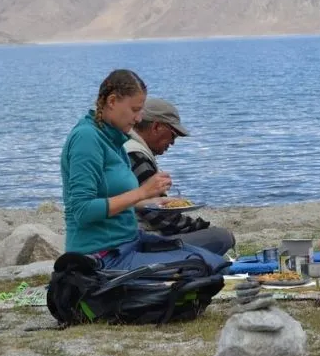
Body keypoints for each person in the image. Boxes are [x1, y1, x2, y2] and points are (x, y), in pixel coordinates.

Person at [60, 69, 228, 273]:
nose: (139, 118)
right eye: (135, 110)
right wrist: (142, 192)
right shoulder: (87, 139)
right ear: (112, 101)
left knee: (215, 261)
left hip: (129, 242)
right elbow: (82, 211)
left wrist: (150, 202)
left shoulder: (113, 139)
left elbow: (111, 197)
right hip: (103, 256)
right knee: (205, 268)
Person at [124, 97, 236, 256]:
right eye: (173, 135)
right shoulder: (137, 156)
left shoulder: (125, 147)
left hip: (130, 237)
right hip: (139, 241)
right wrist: (200, 226)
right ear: (156, 127)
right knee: (222, 237)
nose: (172, 143)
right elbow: (159, 216)